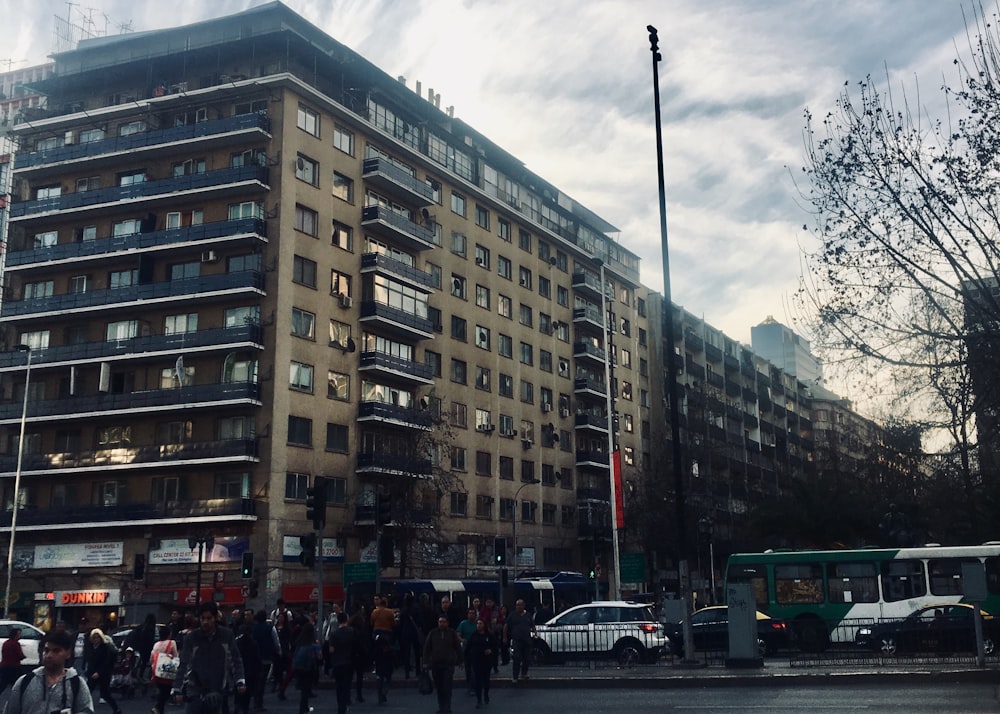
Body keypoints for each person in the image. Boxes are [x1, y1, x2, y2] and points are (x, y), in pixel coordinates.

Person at [171, 600, 247, 714]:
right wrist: (177, 688)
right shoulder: (191, 638)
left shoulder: (226, 635)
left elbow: (236, 660)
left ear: (216, 618)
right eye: (202, 618)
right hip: (195, 689)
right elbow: (184, 663)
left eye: (209, 618)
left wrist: (240, 681)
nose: (205, 622)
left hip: (217, 688)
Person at [4, 630, 94, 714]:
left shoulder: (77, 684)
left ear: (68, 653)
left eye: (56, 651)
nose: (49, 655)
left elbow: (87, 711)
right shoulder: (25, 682)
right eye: (46, 650)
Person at [422, 615, 462, 714]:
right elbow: (427, 648)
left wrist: (461, 660)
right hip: (436, 664)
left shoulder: (452, 633)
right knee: (439, 687)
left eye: (443, 622)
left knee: (447, 687)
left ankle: (447, 707)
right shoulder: (433, 633)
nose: (442, 624)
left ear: (447, 623)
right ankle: (441, 707)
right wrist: (425, 662)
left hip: (448, 664)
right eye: (440, 622)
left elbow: (458, 647)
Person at [326, 613, 358, 714]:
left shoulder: (334, 634)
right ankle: (345, 703)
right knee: (346, 685)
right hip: (349, 661)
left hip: (337, 662)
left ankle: (340, 706)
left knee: (339, 686)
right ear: (346, 620)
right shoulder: (352, 632)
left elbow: (331, 650)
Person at [87, 629, 122, 714]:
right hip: (93, 673)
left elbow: (106, 662)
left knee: (105, 694)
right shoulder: (91, 647)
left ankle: (116, 709)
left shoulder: (105, 647)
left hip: (103, 673)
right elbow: (90, 660)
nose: (96, 639)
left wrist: (98, 672)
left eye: (97, 637)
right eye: (94, 637)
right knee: (87, 692)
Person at [465, 618, 498, 709]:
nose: (478, 625)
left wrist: (491, 650)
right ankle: (479, 699)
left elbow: (495, 646)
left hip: (487, 660)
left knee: (486, 680)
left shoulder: (489, 635)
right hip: (476, 660)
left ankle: (486, 694)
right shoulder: (474, 635)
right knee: (477, 680)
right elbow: (468, 646)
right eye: (477, 623)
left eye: (480, 623)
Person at [249, 611, 278, 711]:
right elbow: (276, 641)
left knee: (256, 679)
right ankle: (259, 703)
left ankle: (255, 701)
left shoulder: (253, 628)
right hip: (267, 657)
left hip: (255, 657)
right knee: (262, 680)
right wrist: (278, 652)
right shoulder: (270, 628)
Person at [503, 599, 535, 683]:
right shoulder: (512, 615)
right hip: (517, 640)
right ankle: (515, 676)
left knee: (527, 658)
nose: (519, 607)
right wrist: (505, 637)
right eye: (517, 605)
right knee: (517, 658)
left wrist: (535, 633)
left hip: (527, 639)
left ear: (523, 606)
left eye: (520, 605)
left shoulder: (528, 615)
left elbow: (532, 625)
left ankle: (524, 673)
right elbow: (506, 626)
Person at [289, 623, 318, 714]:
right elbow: (317, 656)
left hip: (298, 667)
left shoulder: (300, 642)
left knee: (303, 689)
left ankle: (304, 707)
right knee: (306, 689)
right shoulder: (312, 644)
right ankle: (303, 708)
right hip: (307, 668)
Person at [150, 626, 179, 714]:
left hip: (157, 671)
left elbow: (152, 658)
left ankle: (159, 709)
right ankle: (157, 707)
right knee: (166, 692)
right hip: (167, 671)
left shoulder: (156, 644)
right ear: (168, 634)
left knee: (161, 690)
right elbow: (175, 656)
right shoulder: (172, 643)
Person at [233, 625, 261, 714]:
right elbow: (257, 658)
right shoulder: (253, 643)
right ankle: (245, 709)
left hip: (239, 670)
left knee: (237, 691)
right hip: (250, 671)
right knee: (247, 692)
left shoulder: (236, 643)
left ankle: (237, 705)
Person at [397, 593, 423, 679]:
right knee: (417, 653)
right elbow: (419, 621)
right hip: (414, 632)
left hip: (405, 632)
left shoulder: (404, 609)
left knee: (407, 653)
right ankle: (418, 671)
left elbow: (400, 622)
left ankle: (407, 673)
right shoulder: (416, 608)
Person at [455, 609, 477, 696]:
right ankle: (469, 684)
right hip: (466, 649)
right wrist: (462, 640)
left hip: (476, 649)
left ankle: (473, 687)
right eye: (470, 613)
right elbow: (458, 634)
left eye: (473, 613)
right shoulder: (463, 624)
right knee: (468, 669)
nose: (471, 615)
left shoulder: (477, 623)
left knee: (474, 669)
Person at [0, 627, 26, 693]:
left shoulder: (6, 643)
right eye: (19, 634)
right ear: (15, 635)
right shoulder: (16, 644)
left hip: (4, 666)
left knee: (3, 683)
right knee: (18, 684)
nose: (20, 635)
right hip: (14, 667)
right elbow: (20, 655)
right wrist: (24, 657)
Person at [371, 631, 394, 705]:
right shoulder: (389, 650)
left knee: (380, 681)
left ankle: (380, 695)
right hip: (388, 667)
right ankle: (384, 692)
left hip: (379, 666)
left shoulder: (376, 650)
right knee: (388, 681)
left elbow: (374, 657)